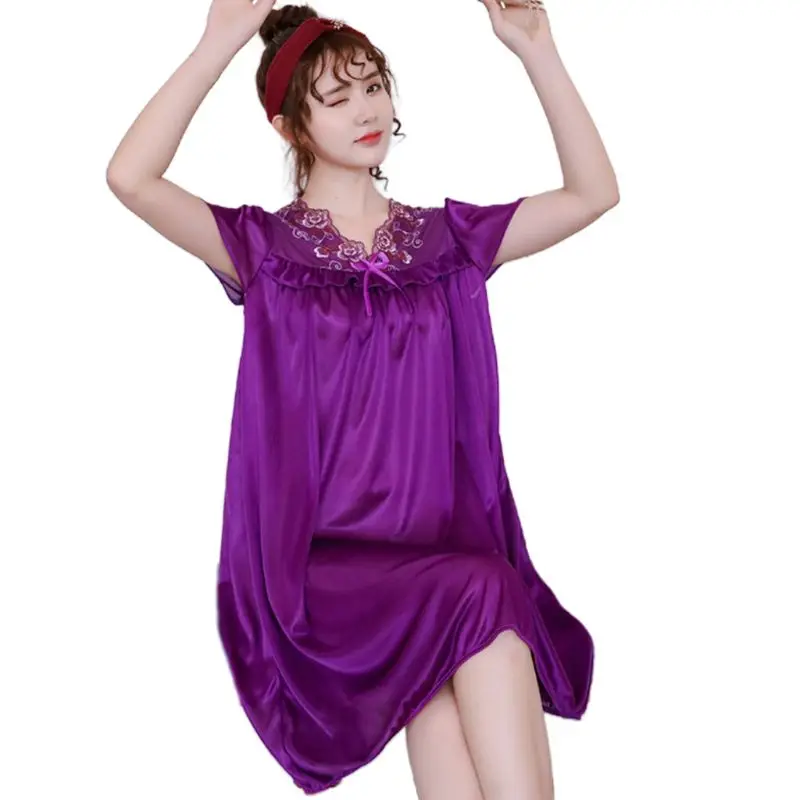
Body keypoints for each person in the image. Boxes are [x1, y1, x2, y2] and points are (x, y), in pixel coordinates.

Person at [107, 0, 618, 796]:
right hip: (326, 578)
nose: (366, 110)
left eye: (373, 86)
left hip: (440, 559)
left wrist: (537, 51)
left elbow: (592, 193)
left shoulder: (449, 243)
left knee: (464, 643)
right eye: (336, 98)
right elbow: (130, 177)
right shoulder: (264, 251)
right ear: (289, 127)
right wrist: (219, 42)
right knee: (487, 590)